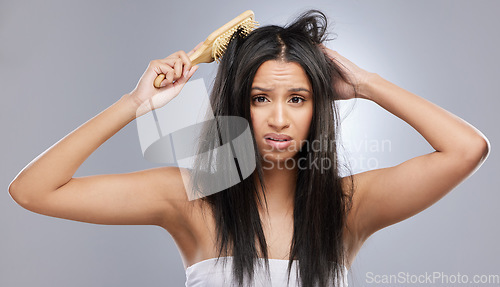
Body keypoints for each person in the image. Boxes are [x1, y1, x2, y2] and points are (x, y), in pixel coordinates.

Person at [8, 10, 489, 287]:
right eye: (261, 98)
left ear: (317, 108)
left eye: (297, 99)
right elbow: (33, 190)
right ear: (237, 105)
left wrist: (366, 83)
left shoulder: (347, 207)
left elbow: (466, 149)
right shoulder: (189, 199)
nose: (279, 118)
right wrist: (136, 104)